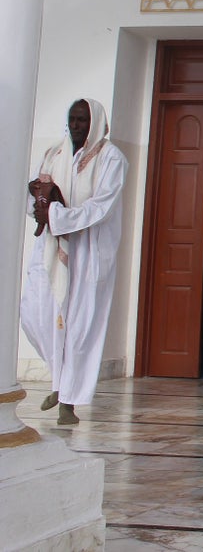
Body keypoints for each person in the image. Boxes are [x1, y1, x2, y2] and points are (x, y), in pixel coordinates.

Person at [20, 99, 127, 425]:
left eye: (83, 120)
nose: (77, 125)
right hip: (52, 249)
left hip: (88, 251)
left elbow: (101, 206)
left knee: (80, 328)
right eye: (73, 119)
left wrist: (57, 215)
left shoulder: (111, 158)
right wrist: (41, 210)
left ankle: (69, 401)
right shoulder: (54, 152)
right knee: (34, 313)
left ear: (96, 122)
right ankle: (59, 379)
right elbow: (34, 197)